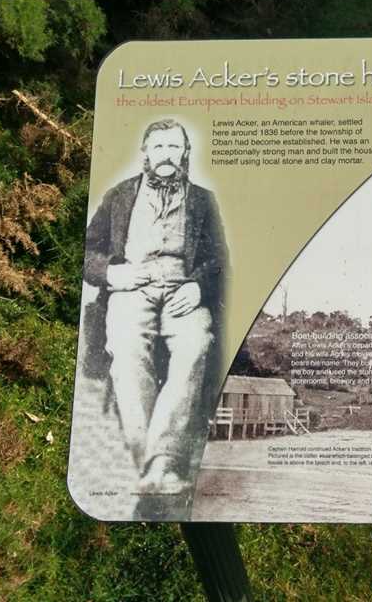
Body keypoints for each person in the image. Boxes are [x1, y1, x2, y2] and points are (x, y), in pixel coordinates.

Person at [83, 118, 227, 516]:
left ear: (185, 154)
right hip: (133, 289)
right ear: (145, 154)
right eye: (158, 148)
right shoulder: (119, 196)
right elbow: (88, 251)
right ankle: (156, 464)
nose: (167, 156)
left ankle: (157, 462)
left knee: (196, 343)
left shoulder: (203, 201)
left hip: (183, 292)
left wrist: (198, 286)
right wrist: (114, 272)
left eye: (174, 148)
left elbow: (219, 261)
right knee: (126, 349)